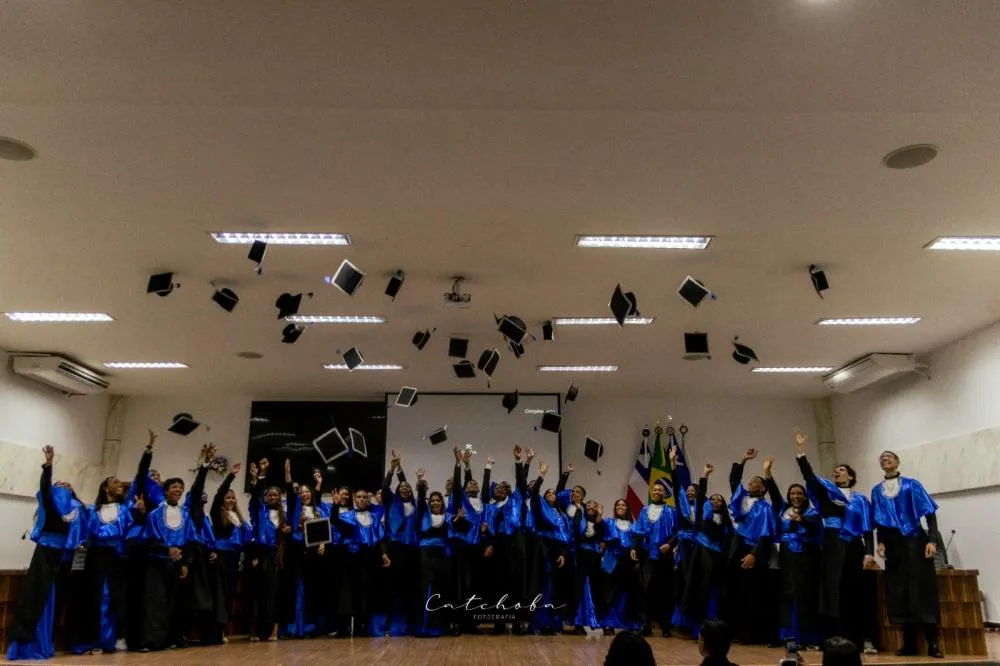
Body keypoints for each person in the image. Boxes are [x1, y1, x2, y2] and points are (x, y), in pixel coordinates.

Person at [793, 429, 877, 653]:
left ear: (851, 476)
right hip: (831, 545)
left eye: (841, 470)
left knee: (856, 590)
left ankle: (863, 639)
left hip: (854, 546)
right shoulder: (828, 494)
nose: (837, 472)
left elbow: (867, 529)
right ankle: (836, 638)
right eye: (835, 471)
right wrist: (801, 452)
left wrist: (869, 553)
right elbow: (810, 478)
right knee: (833, 590)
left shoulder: (861, 500)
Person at [7, 446, 86, 661]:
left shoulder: (79, 510)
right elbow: (45, 486)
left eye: (67, 485)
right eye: (59, 484)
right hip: (45, 556)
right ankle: (27, 646)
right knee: (35, 600)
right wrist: (49, 465)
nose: (64, 486)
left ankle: (46, 642)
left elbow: (86, 533)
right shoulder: (51, 507)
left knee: (56, 602)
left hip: (63, 560)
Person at [871, 450, 943, 658]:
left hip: (914, 540)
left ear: (897, 462)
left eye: (889, 457)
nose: (885, 459)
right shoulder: (877, 491)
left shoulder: (912, 485)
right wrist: (881, 542)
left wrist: (931, 540)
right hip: (893, 545)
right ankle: (909, 643)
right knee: (899, 590)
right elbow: (879, 521)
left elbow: (930, 513)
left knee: (921, 588)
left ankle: (933, 643)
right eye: (882, 458)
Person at [763, 456, 821, 647]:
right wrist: (768, 473)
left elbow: (814, 529)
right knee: (788, 593)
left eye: (799, 494)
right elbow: (773, 493)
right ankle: (789, 635)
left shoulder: (811, 512)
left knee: (804, 593)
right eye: (792, 494)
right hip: (786, 556)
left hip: (805, 556)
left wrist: (801, 520)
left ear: (804, 496)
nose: (795, 496)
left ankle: (807, 636)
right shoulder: (783, 509)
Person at [72, 470, 130, 655]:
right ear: (105, 487)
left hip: (116, 557)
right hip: (96, 557)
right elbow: (86, 533)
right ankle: (90, 639)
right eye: (115, 482)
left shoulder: (125, 509)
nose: (120, 484)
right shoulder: (93, 510)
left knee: (111, 598)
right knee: (94, 597)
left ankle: (108, 640)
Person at [725, 449, 777, 645]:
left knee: (754, 595)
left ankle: (756, 634)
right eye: (751, 481)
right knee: (736, 593)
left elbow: (765, 535)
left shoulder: (766, 508)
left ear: (763, 489)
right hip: (737, 548)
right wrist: (743, 459)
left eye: (757, 482)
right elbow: (734, 480)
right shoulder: (741, 498)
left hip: (755, 552)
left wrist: (754, 555)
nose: (751, 483)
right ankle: (738, 632)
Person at [137, 473, 194, 651]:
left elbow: (189, 540)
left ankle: (170, 639)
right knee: (155, 602)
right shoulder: (154, 514)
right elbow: (149, 539)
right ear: (166, 491)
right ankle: (152, 641)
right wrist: (166, 549)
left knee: (174, 602)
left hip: (177, 563)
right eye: (174, 486)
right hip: (157, 562)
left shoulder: (185, 515)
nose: (178, 489)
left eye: (180, 487)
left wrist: (184, 562)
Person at [330, 486, 391, 636]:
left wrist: (384, 554)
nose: (362, 499)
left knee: (367, 591)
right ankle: (345, 627)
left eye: (365, 497)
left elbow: (381, 538)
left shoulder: (374, 517)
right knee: (350, 592)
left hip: (370, 557)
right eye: (359, 497)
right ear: (354, 499)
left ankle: (362, 626)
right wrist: (336, 505)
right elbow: (335, 521)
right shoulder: (348, 516)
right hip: (352, 556)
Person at [681, 463, 731, 639]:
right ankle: (699, 629)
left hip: (718, 559)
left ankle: (715, 626)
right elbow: (701, 495)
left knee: (715, 592)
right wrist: (705, 475)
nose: (715, 501)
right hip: (702, 555)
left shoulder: (726, 521)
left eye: (719, 499)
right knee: (700, 590)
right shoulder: (703, 514)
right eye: (713, 499)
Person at [247, 458, 288, 642]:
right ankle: (255, 631)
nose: (273, 497)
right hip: (260, 555)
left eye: (276, 495)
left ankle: (274, 631)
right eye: (270, 495)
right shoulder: (259, 511)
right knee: (257, 593)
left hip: (276, 557)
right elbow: (255, 495)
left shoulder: (284, 516)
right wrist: (260, 475)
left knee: (274, 594)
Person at [530, 462, 574, 635]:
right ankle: (540, 622)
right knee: (543, 585)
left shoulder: (562, 514)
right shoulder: (540, 508)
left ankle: (554, 623)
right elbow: (534, 494)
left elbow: (565, 536)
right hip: (543, 549)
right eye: (547, 493)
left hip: (558, 551)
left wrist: (563, 554)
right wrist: (541, 476)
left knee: (556, 587)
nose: (551, 494)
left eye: (553, 493)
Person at [208, 461, 248, 644]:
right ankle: (215, 631)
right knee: (220, 594)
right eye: (227, 497)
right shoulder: (218, 513)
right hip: (221, 556)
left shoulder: (238, 517)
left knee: (230, 593)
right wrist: (231, 476)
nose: (230, 500)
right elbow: (217, 496)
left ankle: (223, 630)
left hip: (234, 558)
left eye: (233, 498)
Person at [380, 450, 420, 636]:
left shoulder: (416, 505)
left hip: (412, 549)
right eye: (402, 488)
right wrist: (392, 470)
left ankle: (411, 624)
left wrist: (402, 472)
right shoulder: (391, 502)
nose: (405, 489)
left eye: (408, 488)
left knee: (411, 588)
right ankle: (388, 625)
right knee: (392, 588)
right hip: (395, 548)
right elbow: (385, 487)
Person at [448, 446, 487, 633]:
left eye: (475, 484)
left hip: (478, 548)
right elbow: (458, 484)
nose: (473, 485)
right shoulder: (461, 501)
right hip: (462, 546)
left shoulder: (483, 504)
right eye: (469, 484)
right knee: (461, 584)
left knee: (476, 584)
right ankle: (458, 622)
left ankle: (472, 622)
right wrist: (461, 464)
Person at [631, 477, 676, 637]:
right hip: (647, 554)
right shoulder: (644, 510)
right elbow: (638, 531)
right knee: (645, 588)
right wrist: (634, 548)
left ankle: (665, 626)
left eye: (660, 490)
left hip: (665, 555)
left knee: (665, 590)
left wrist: (669, 544)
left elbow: (678, 532)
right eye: (655, 490)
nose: (657, 492)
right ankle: (645, 624)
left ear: (665, 493)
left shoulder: (671, 511)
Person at [414, 467, 454, 637]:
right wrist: (420, 482)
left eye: (438, 500)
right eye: (433, 500)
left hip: (442, 556)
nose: (436, 502)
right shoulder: (423, 516)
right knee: (427, 587)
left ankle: (441, 625)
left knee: (441, 587)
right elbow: (421, 501)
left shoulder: (448, 517)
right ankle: (425, 626)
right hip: (426, 554)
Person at [669, 445, 700, 636]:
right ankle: (681, 622)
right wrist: (673, 464)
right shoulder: (682, 505)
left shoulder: (704, 507)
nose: (689, 492)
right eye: (687, 490)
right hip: (683, 549)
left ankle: (695, 622)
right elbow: (675, 485)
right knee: (682, 583)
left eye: (692, 490)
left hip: (698, 548)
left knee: (695, 583)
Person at [601, 499, 641, 634]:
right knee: (610, 593)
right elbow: (599, 528)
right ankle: (608, 624)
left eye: (623, 505)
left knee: (626, 593)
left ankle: (626, 623)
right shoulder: (609, 522)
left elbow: (637, 542)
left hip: (627, 562)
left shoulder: (633, 526)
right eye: (618, 504)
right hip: (612, 560)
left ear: (627, 508)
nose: (620, 507)